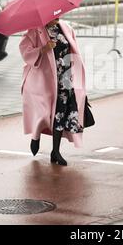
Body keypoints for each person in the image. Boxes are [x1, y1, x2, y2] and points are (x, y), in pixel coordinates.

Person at [19, 17, 87, 166]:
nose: (57, 16)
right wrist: (43, 49)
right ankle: (35, 137)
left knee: (60, 114)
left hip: (65, 79)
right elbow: (24, 51)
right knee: (43, 114)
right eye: (53, 15)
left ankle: (55, 151)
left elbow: (73, 51)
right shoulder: (34, 30)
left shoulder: (65, 27)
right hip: (43, 81)